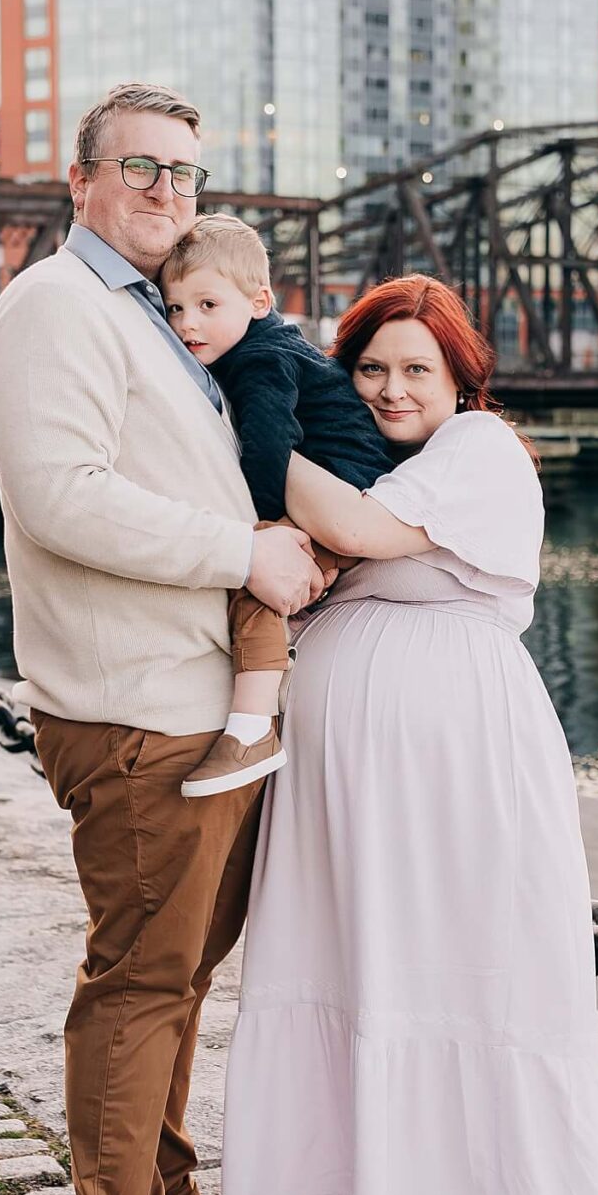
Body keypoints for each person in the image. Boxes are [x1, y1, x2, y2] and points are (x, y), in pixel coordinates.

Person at [219, 276, 598, 1195]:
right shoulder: (366, 452)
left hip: (453, 765)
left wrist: (251, 403)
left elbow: (361, 533)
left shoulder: (478, 452)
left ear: (461, 379)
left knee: (457, 969)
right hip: (346, 781)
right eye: (368, 368)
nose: (391, 388)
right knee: (356, 966)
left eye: (417, 368)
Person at [0, 83, 324, 1195]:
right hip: (134, 716)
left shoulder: (151, 314)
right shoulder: (55, 309)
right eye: (139, 168)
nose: (166, 193)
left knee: (177, 976)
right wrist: (242, 550)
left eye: (184, 172)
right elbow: (63, 499)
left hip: (188, 709)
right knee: (136, 986)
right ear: (80, 181)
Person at [159, 213, 407, 800]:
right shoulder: (259, 346)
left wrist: (260, 528)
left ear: (260, 300)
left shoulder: (260, 359)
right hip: (344, 476)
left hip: (349, 479)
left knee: (259, 581)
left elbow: (271, 440)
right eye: (174, 308)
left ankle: (250, 731)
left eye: (207, 305)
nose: (188, 323)